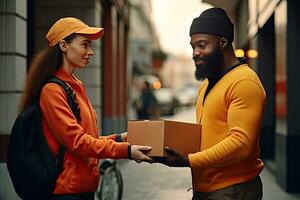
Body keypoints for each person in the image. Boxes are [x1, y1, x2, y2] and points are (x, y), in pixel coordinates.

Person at [19, 17, 153, 200]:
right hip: (66, 192)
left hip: (83, 188)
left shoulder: (74, 86)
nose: (91, 52)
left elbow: (88, 139)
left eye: (90, 46)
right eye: (85, 45)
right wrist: (126, 151)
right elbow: (77, 142)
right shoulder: (52, 90)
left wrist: (120, 138)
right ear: (64, 45)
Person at [157, 8, 266, 200]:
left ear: (223, 42)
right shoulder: (207, 83)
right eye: (193, 47)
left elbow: (241, 145)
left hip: (233, 189)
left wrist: (188, 160)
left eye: (202, 45)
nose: (195, 53)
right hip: (206, 188)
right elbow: (209, 132)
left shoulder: (244, 82)